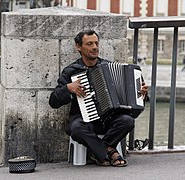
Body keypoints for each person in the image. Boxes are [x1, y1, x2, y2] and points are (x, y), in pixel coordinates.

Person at [49, 30, 148, 167]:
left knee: (127, 121)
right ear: (78, 47)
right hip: (84, 120)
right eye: (89, 44)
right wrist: (68, 88)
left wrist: (141, 94)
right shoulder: (71, 71)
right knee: (76, 128)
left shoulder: (108, 67)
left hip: (108, 119)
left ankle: (98, 152)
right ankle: (110, 151)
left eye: (96, 43)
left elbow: (135, 104)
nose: (95, 47)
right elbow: (53, 101)